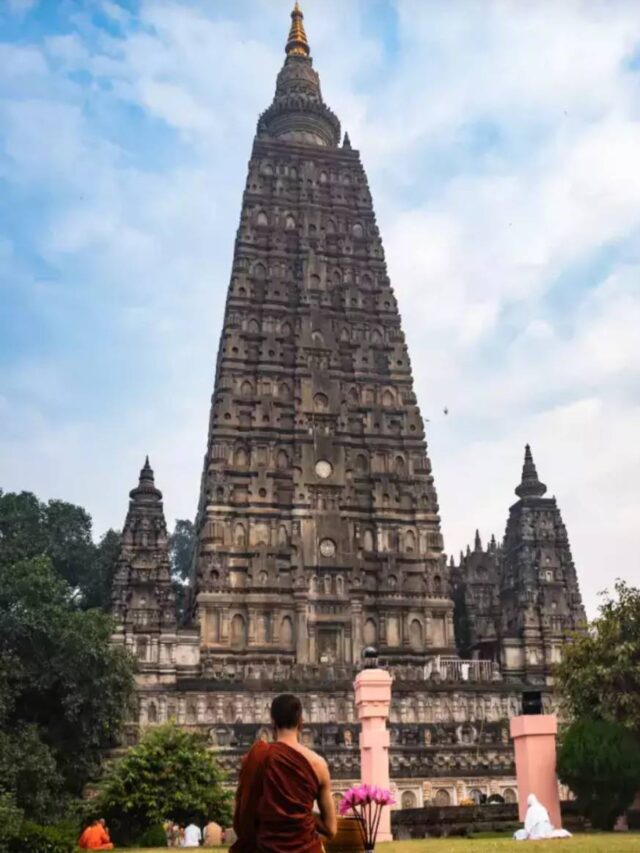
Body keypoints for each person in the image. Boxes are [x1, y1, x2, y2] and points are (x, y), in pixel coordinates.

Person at [231, 693, 337, 852]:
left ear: (272, 722)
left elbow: (244, 814)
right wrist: (303, 813)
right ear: (301, 722)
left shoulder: (259, 757)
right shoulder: (318, 764)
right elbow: (331, 829)